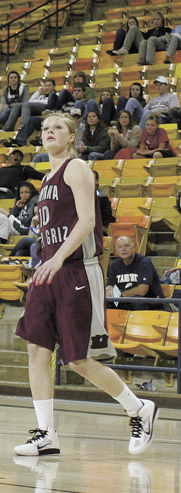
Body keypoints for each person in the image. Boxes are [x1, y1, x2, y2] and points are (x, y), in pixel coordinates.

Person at [13, 112, 156, 458]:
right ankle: (46, 433)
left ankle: (138, 408)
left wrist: (59, 257)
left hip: (76, 270)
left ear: (71, 137)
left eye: (57, 127)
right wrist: (46, 260)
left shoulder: (75, 168)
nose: (49, 132)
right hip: (49, 269)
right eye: (45, 128)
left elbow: (88, 220)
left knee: (78, 359)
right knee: (37, 349)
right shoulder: (46, 179)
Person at [106, 234, 163, 308]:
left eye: (127, 246)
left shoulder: (144, 262)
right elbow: (110, 285)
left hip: (149, 303)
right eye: (120, 247)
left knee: (137, 303)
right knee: (107, 304)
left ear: (133, 247)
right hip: (125, 302)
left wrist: (122, 294)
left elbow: (142, 290)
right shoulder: (114, 265)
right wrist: (109, 291)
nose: (123, 249)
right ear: (116, 250)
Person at [9, 183, 40, 259]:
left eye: (27, 192)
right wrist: (17, 208)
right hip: (28, 232)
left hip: (26, 230)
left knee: (24, 240)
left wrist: (31, 222)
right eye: (21, 193)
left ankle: (8, 258)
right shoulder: (22, 204)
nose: (24, 195)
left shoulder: (34, 201)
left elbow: (27, 221)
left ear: (32, 192)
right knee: (20, 253)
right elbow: (31, 236)